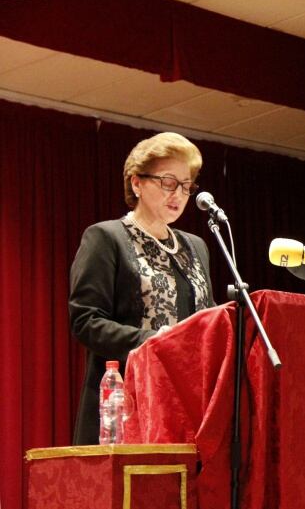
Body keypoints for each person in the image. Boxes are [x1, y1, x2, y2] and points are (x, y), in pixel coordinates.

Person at [69, 132, 215, 445]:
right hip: (124, 403)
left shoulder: (197, 247)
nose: (179, 193)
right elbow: (86, 321)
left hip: (187, 405)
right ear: (136, 183)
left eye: (186, 185)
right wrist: (154, 341)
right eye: (167, 182)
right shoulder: (106, 238)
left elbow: (208, 323)